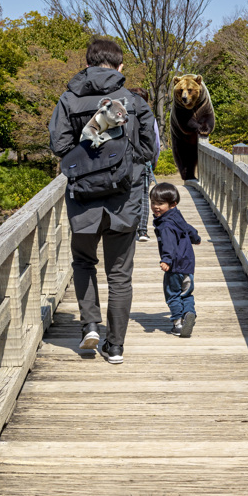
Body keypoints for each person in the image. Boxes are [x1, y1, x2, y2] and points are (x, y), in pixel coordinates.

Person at [49, 39, 157, 365]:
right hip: (124, 200)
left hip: (82, 198)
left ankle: (89, 327)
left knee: (84, 263)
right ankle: (116, 347)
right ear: (120, 67)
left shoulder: (69, 99)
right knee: (120, 274)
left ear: (88, 64)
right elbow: (150, 151)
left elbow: (59, 145)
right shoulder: (135, 102)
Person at [150, 182, 201, 338]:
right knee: (187, 293)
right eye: (153, 203)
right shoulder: (176, 215)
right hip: (188, 265)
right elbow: (187, 227)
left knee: (173, 294)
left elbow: (169, 244)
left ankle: (178, 324)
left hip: (174, 266)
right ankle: (189, 313)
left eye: (160, 204)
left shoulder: (165, 225)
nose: (155, 207)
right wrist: (195, 237)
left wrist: (166, 260)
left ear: (172, 204)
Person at [128, 87, 160, 242]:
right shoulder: (149, 116)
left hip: (126, 161)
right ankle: (142, 231)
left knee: (128, 195)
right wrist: (153, 162)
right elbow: (156, 143)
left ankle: (130, 230)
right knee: (143, 195)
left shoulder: (122, 113)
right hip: (144, 161)